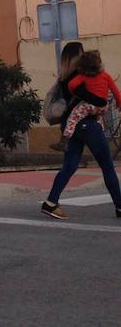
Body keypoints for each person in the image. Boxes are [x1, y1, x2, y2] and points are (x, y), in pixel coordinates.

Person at [42, 42, 121, 220]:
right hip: (87, 125)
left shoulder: (63, 78)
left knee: (69, 165)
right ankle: (120, 206)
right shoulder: (80, 76)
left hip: (71, 126)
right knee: (107, 165)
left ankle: (51, 202)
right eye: (82, 52)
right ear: (78, 56)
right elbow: (94, 98)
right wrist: (102, 102)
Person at [62, 51, 121, 138]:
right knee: (97, 116)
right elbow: (116, 92)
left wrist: (73, 93)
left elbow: (71, 85)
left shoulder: (83, 76)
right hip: (104, 107)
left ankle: (66, 138)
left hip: (90, 106)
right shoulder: (106, 75)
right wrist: (119, 104)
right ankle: (101, 129)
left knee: (74, 115)